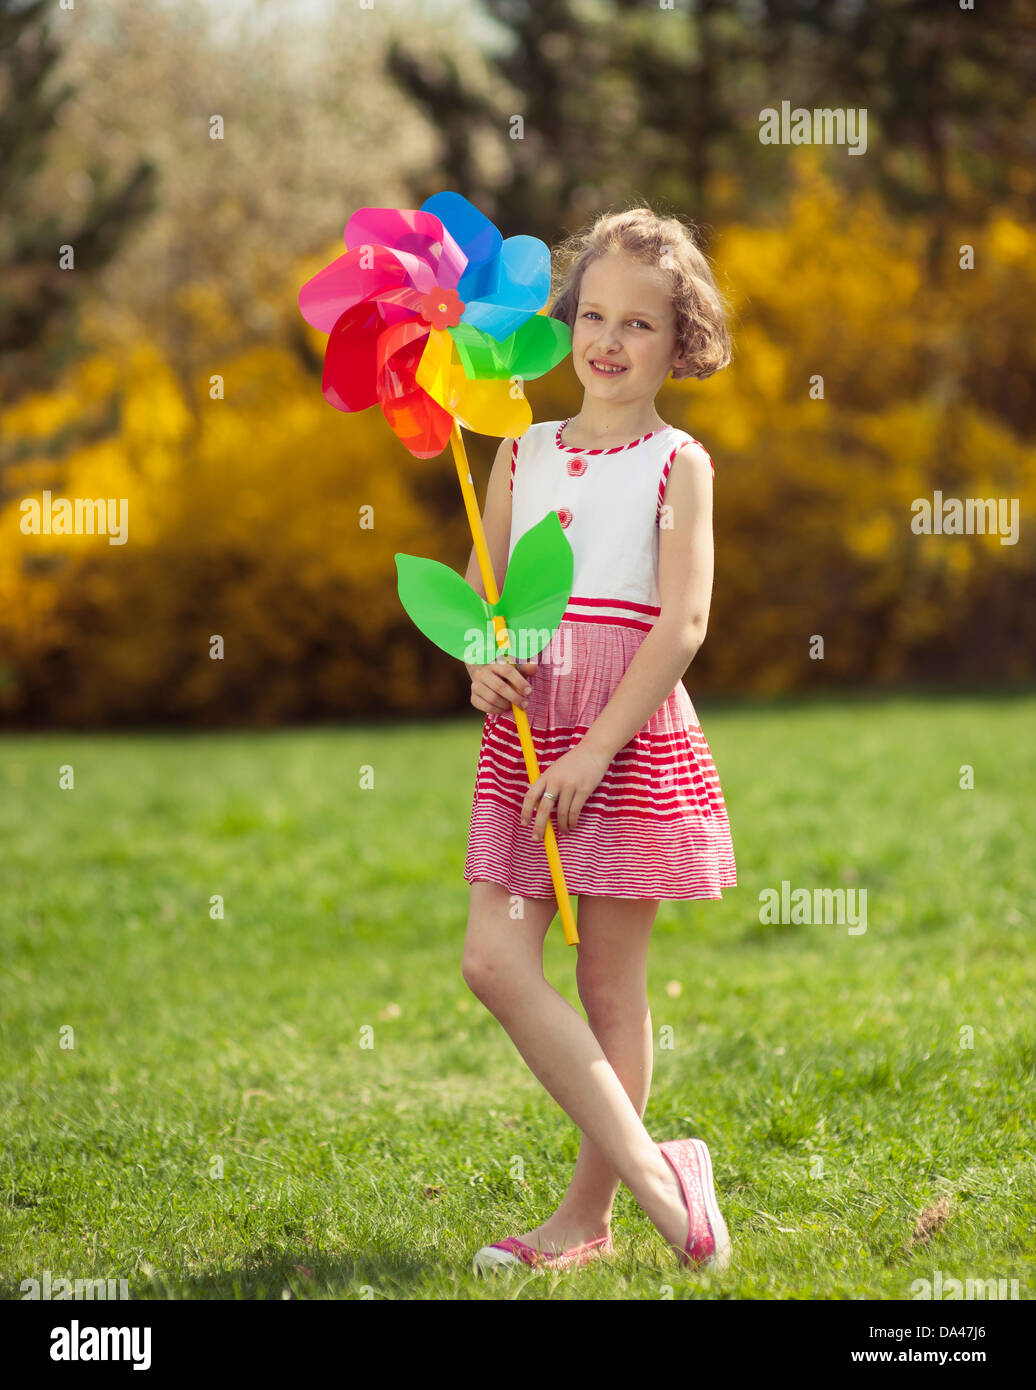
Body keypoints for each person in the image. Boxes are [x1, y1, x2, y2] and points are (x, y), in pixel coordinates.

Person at [459, 205, 737, 1274]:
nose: (609, 341)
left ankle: (587, 1217)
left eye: (641, 324)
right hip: (531, 732)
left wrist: (595, 753)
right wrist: (481, 663)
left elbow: (683, 623)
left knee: (610, 986)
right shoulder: (517, 453)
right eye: (592, 315)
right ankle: (670, 1180)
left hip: (621, 730)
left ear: (683, 342)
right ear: (567, 321)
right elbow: (488, 604)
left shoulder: (679, 463)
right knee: (493, 959)